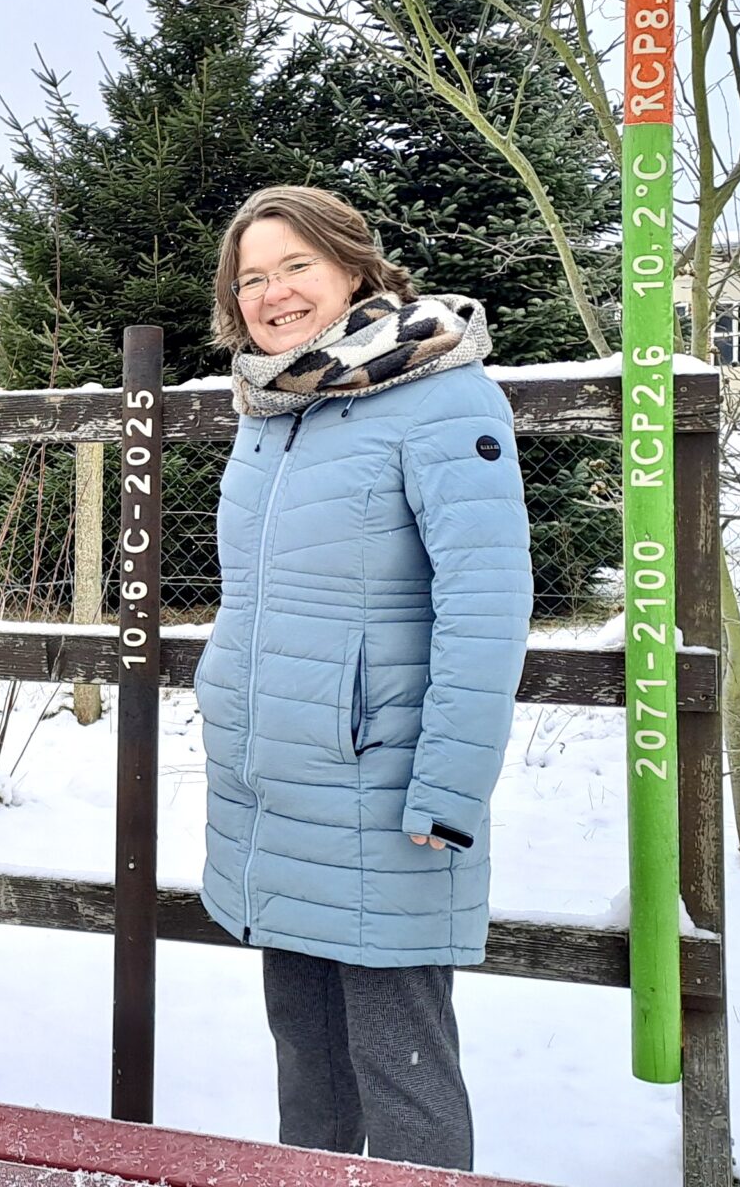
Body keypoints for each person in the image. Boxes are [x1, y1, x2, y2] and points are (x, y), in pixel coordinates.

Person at [193, 185, 532, 1170]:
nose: (273, 293)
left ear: (352, 267)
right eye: (251, 278)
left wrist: (450, 788)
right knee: (308, 1063)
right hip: (277, 792)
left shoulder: (441, 394)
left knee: (403, 1070)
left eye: (296, 266)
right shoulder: (275, 404)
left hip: (385, 794)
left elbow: (486, 600)